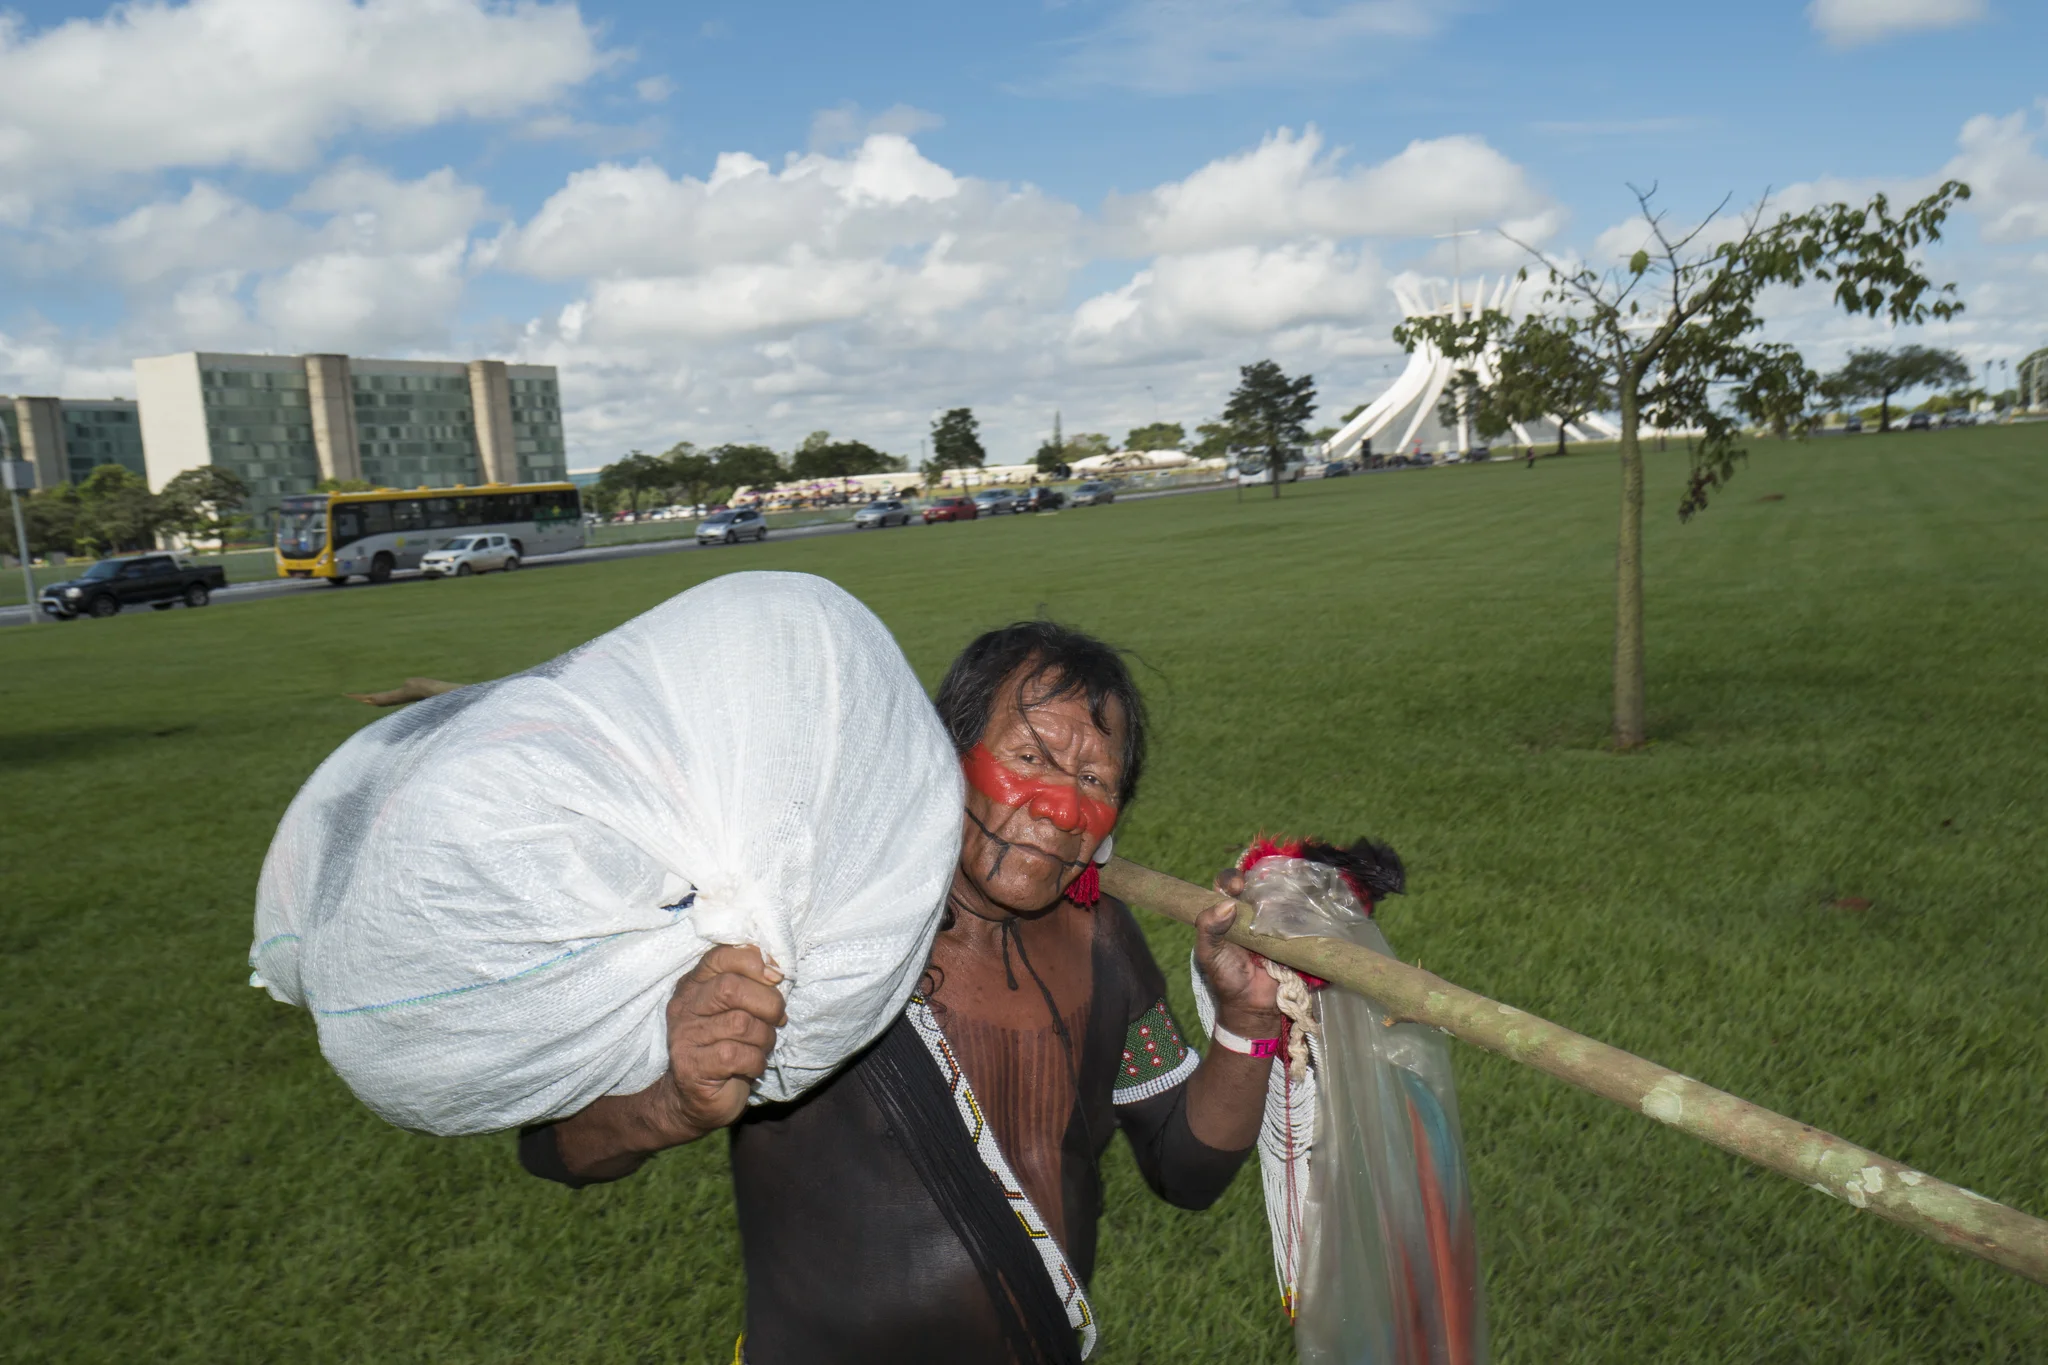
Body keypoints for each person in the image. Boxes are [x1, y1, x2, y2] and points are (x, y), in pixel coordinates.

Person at [517, 622, 1283, 1363]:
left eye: (1092, 781)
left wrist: (1245, 1020)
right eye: (1030, 756)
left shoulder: (1102, 939)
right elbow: (556, 1148)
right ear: (946, 754)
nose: (1057, 807)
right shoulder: (811, 926)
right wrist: (670, 1104)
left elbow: (1187, 1169)